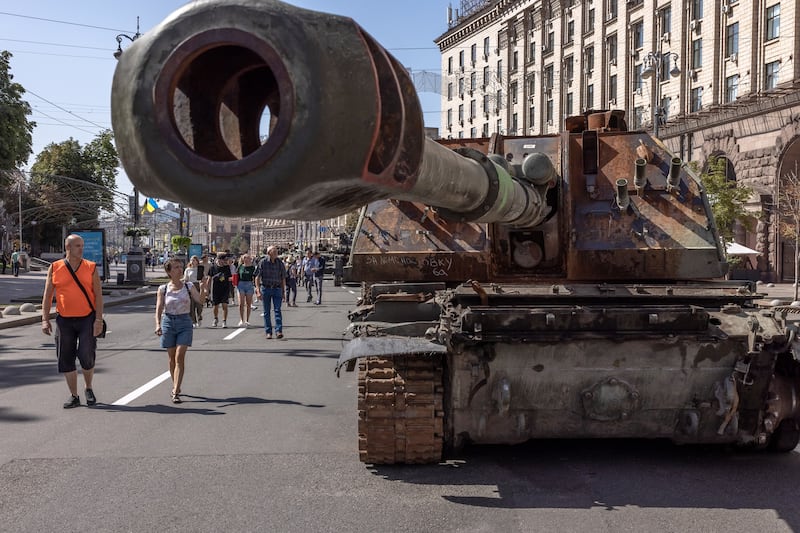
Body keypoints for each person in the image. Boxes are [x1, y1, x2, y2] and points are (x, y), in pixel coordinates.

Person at [41, 234, 104, 408]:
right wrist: (45, 320)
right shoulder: (55, 268)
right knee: (65, 358)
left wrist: (98, 319)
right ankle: (74, 395)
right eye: (78, 246)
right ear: (68, 247)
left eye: (82, 245)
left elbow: (98, 296)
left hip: (87, 319)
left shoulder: (90, 267)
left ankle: (88, 387)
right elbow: (47, 296)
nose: (81, 249)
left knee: (86, 354)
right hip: (64, 321)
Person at [155, 257, 208, 403]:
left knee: (179, 356)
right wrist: (158, 324)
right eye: (176, 267)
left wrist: (204, 289)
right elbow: (159, 308)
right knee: (171, 359)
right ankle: (176, 385)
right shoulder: (163, 289)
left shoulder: (188, 286)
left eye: (180, 267)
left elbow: (200, 301)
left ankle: (175, 391)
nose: (180, 269)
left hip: (185, 322)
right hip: (168, 322)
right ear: (169, 271)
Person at [255, 245, 286, 339]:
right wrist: (258, 290)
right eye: (274, 251)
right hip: (266, 289)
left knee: (277, 310)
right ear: (269, 253)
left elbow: (283, 278)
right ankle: (268, 332)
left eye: (276, 251)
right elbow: (257, 277)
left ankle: (279, 331)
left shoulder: (280, 263)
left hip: (277, 289)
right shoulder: (263, 262)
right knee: (266, 312)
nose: (276, 253)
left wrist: (283, 291)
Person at [205, 254, 232, 327]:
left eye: (225, 260)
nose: (224, 261)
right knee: (215, 306)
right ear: (219, 259)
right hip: (215, 289)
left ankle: (224, 321)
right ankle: (215, 318)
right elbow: (209, 279)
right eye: (223, 260)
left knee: (224, 305)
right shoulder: (213, 267)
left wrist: (232, 284)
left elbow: (230, 278)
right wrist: (206, 290)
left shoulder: (227, 267)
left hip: (225, 289)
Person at [183, 255, 204, 327]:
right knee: (191, 305)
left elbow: (202, 278)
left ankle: (199, 317)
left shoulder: (199, 269)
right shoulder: (188, 270)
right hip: (190, 286)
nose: (192, 261)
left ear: (197, 261)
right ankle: (193, 321)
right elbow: (186, 278)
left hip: (198, 285)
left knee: (199, 304)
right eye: (191, 260)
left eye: (194, 260)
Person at [236, 253, 257, 326]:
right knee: (241, 303)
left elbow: (255, 276)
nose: (247, 259)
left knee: (248, 304)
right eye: (245, 258)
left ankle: (247, 320)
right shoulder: (240, 266)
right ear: (243, 259)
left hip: (249, 284)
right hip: (241, 284)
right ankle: (241, 319)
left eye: (248, 258)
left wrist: (256, 286)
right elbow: (236, 275)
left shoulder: (252, 268)